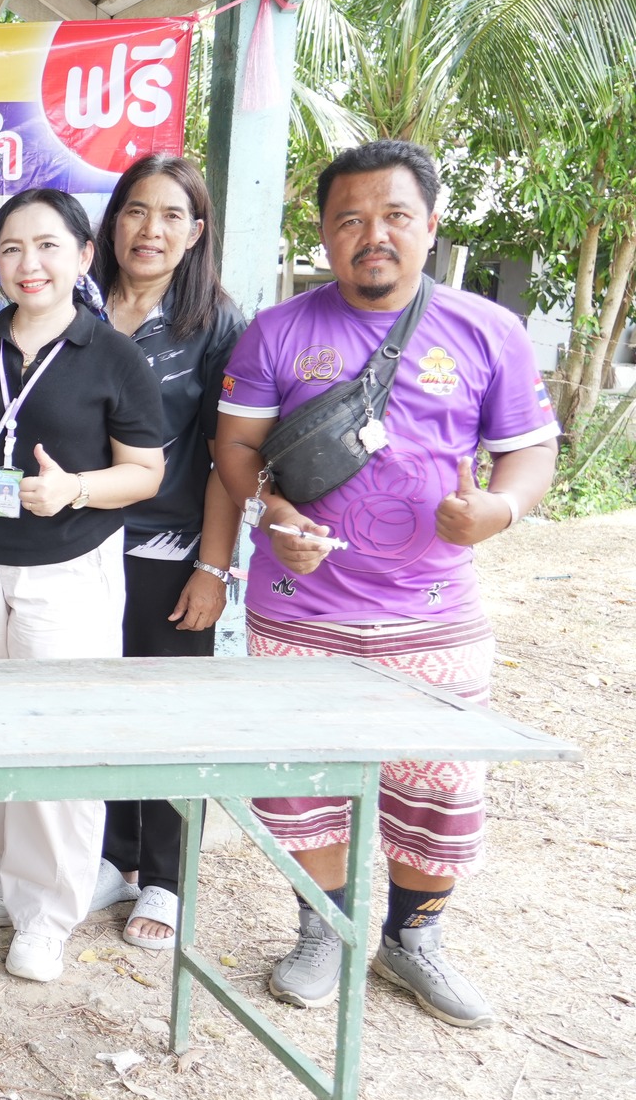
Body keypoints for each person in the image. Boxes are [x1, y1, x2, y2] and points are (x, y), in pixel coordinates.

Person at [213, 139, 558, 1027]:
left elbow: (529, 449)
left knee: (439, 785)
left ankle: (413, 939)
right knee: (301, 780)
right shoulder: (277, 331)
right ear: (324, 233)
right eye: (350, 219)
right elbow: (236, 446)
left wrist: (500, 510)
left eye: (395, 215)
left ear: (431, 224)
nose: (374, 234)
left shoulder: (489, 330)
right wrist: (272, 514)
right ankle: (321, 930)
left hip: (434, 613)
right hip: (299, 609)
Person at [0, 187, 164, 983]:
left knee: (58, 741)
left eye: (48, 245)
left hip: (68, 570)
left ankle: (48, 914)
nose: (29, 263)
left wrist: (76, 489)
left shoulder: (113, 354)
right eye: (11, 248)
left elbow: (145, 471)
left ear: (84, 256)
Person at [90, 156, 248, 949]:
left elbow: (229, 458)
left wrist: (212, 569)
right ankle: (112, 859)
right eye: (135, 210)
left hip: (168, 551)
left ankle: (166, 876)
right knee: (95, 710)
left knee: (166, 715)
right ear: (112, 220)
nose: (149, 230)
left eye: (170, 215)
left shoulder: (216, 325)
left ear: (195, 232)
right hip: (74, 548)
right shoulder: (75, 302)